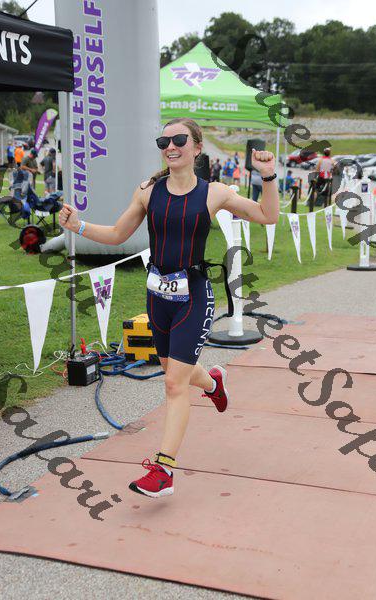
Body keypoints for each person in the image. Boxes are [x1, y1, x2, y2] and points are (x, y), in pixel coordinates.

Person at [58, 117, 279, 499]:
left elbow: (267, 215)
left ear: (197, 148)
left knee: (174, 383)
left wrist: (269, 176)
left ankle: (164, 470)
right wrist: (78, 226)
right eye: (164, 141)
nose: (170, 146)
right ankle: (213, 382)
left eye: (179, 139)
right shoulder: (148, 191)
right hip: (157, 298)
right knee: (174, 371)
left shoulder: (214, 193)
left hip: (193, 296)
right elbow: (117, 234)